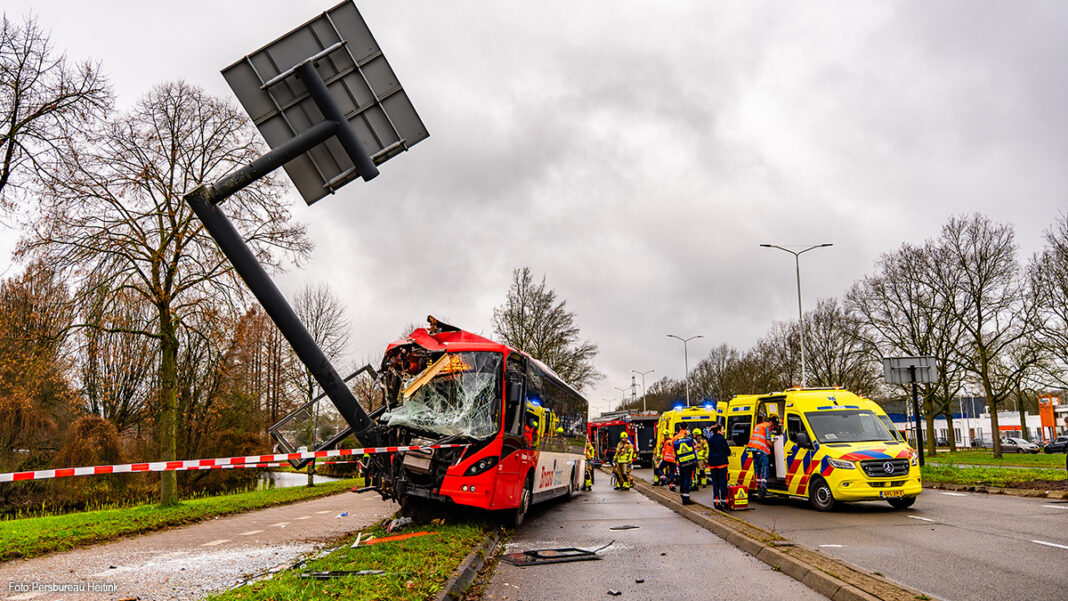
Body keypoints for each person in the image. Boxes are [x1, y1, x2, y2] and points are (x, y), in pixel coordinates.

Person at [747, 414, 775, 495]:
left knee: (757, 468)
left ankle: (758, 486)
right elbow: (768, 441)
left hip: (754, 449)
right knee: (764, 467)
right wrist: (773, 447)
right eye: (773, 425)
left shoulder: (758, 426)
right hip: (761, 449)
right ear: (771, 422)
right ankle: (764, 488)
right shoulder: (767, 427)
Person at [707, 423, 731, 509]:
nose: (724, 431)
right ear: (718, 431)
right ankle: (724, 501)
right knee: (723, 482)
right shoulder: (722, 439)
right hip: (722, 463)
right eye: (723, 429)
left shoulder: (710, 440)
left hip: (712, 464)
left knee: (715, 482)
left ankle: (716, 501)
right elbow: (728, 451)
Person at [673, 424, 698, 505]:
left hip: (680, 462)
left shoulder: (675, 438)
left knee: (682, 478)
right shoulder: (689, 436)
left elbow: (673, 451)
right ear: (687, 427)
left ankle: (683, 494)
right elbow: (695, 447)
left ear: (680, 427)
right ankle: (686, 498)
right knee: (688, 478)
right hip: (690, 461)